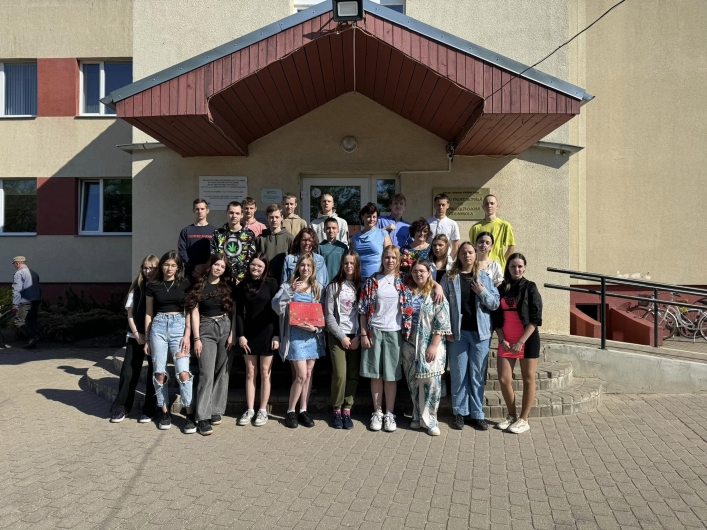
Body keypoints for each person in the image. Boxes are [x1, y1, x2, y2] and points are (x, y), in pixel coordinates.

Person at [441, 242, 500, 431]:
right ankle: (459, 413)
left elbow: (495, 303)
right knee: (458, 374)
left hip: (481, 334)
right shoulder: (450, 278)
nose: (467, 255)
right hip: (458, 334)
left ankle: (477, 414)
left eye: (470, 252)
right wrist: (446, 329)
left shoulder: (484, 277)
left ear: (475, 255)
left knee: (477, 375)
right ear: (459, 256)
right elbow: (442, 306)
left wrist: (483, 292)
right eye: (463, 252)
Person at [358, 245, 412, 433]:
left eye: (393, 257)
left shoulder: (404, 280)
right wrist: (363, 333)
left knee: (391, 375)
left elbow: (425, 280)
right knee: (376, 374)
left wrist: (437, 287)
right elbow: (363, 310)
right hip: (374, 331)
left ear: (398, 260)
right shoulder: (372, 281)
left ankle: (389, 413)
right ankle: (377, 412)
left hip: (394, 332)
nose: (390, 260)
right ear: (382, 259)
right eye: (387, 257)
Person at [184, 254, 236, 436]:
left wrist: (233, 333)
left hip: (225, 326)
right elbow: (194, 312)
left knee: (222, 371)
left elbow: (234, 310)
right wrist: (196, 339)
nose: (219, 268)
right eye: (216, 265)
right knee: (206, 372)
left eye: (222, 266)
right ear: (210, 265)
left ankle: (215, 410)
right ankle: (203, 417)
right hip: (206, 328)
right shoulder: (199, 285)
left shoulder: (227, 286)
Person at [272, 253, 326, 429]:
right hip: (294, 336)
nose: (305, 268)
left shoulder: (318, 288)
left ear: (313, 268)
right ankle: (290, 411)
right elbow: (276, 306)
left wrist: (316, 329)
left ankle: (303, 410)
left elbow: (323, 314)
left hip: (312, 337)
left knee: (308, 374)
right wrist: (290, 291)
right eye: (302, 265)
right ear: (297, 268)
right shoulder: (288, 285)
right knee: (301, 375)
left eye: (308, 266)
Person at [145, 251, 195, 433]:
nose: (169, 268)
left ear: (178, 267)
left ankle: (190, 414)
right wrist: (147, 339)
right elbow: (148, 313)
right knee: (159, 373)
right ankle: (165, 412)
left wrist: (187, 334)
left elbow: (189, 311)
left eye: (173, 265)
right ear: (162, 266)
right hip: (158, 328)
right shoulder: (153, 286)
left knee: (183, 372)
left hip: (179, 328)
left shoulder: (185, 284)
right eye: (166, 264)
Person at [492, 253, 542, 435]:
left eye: (520, 266)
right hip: (506, 340)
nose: (517, 269)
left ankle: (524, 419)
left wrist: (520, 342)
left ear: (525, 267)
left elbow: (536, 318)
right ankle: (512, 416)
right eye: (513, 266)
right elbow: (496, 317)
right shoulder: (501, 288)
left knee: (528, 379)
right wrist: (502, 338)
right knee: (504, 379)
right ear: (508, 268)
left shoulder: (530, 287)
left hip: (527, 340)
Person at [402, 260, 452, 436]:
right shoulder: (407, 291)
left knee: (432, 382)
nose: (418, 274)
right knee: (413, 382)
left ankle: (431, 420)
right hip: (409, 343)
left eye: (422, 271)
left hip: (430, 343)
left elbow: (442, 320)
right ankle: (417, 416)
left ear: (429, 272)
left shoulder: (436, 294)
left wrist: (433, 345)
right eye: (415, 271)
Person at [109, 255, 159, 424]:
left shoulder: (161, 288)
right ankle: (121, 407)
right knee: (128, 372)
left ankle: (149, 409)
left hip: (155, 337)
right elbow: (130, 314)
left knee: (154, 372)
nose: (148, 271)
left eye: (152, 268)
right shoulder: (136, 289)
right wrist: (137, 334)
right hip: (135, 336)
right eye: (145, 267)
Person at [235, 252, 280, 427]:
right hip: (249, 334)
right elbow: (239, 313)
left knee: (265, 372)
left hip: (267, 333)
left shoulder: (272, 284)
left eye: (260, 266)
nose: (256, 268)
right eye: (253, 264)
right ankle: (250, 409)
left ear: (265, 268)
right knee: (250, 372)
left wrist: (277, 334)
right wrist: (241, 335)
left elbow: (277, 311)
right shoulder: (242, 285)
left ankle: (262, 410)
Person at [325, 251, 362, 430]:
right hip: (337, 335)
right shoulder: (333, 286)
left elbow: (365, 313)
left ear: (357, 265)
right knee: (340, 374)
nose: (349, 266)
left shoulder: (361, 285)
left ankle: (347, 409)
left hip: (356, 336)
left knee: (353, 374)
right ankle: (336, 409)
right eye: (346, 263)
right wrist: (342, 337)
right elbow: (329, 315)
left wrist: (358, 336)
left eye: (352, 263)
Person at [211, 201, 257, 284]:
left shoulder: (249, 234)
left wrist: (240, 278)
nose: (234, 216)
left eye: (237, 213)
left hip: (242, 281)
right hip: (222, 279)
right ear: (226, 213)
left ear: (242, 215)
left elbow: (251, 258)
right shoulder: (218, 234)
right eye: (231, 213)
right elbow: (214, 257)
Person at [469, 194, 516, 270]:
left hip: (498, 268)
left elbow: (511, 247)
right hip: (480, 267)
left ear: (497, 206)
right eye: (486, 204)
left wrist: (503, 261)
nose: (489, 206)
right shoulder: (475, 227)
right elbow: (473, 248)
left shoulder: (504, 225)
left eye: (492, 203)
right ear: (483, 207)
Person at [350, 203, 392, 279]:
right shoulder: (355, 238)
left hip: (378, 278)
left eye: (374, 217)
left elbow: (390, 256)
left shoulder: (383, 234)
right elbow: (351, 259)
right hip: (358, 278)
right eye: (368, 216)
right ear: (362, 217)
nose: (372, 219)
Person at [177, 198, 217, 280]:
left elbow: (217, 252)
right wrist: (194, 266)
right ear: (193, 211)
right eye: (197, 209)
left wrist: (206, 266)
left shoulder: (215, 231)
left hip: (209, 273)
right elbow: (182, 251)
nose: (200, 211)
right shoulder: (186, 231)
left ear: (207, 210)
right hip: (190, 272)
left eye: (202, 209)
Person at [256, 203, 294, 283]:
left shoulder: (289, 238)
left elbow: (293, 261)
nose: (274, 220)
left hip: (284, 279)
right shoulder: (260, 238)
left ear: (282, 217)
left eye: (277, 217)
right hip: (264, 279)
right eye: (271, 217)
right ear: (267, 218)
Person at [11, 256, 41, 349]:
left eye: (14, 264)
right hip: (35, 300)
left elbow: (17, 290)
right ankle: (33, 342)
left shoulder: (19, 273)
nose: (14, 266)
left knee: (19, 321)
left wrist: (15, 305)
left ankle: (32, 337)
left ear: (17, 263)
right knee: (32, 321)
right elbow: (39, 288)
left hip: (25, 301)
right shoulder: (34, 273)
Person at [427, 193, 461, 259]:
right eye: (438, 205)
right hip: (429, 258)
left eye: (443, 205)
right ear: (434, 205)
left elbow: (455, 245)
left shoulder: (452, 224)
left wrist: (450, 260)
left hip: (446, 258)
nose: (441, 207)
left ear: (447, 206)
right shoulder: (427, 223)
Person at [318, 217, 348, 283]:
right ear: (324, 230)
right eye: (328, 228)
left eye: (334, 228)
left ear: (338, 230)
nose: (331, 231)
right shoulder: (319, 247)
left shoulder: (343, 247)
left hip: (339, 281)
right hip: (324, 282)